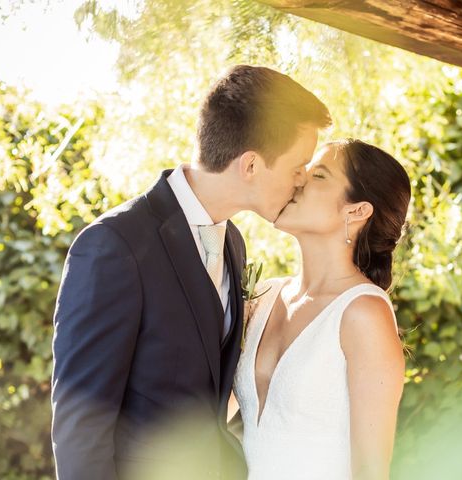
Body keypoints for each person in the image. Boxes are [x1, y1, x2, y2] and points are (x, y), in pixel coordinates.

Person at [50, 65, 331, 480]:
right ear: (250, 165)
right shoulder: (114, 245)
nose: (302, 180)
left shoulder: (233, 242)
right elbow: (80, 424)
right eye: (298, 166)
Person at [233, 139, 410, 479]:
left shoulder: (363, 313)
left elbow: (371, 471)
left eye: (319, 176)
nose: (298, 180)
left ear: (356, 210)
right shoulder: (265, 295)